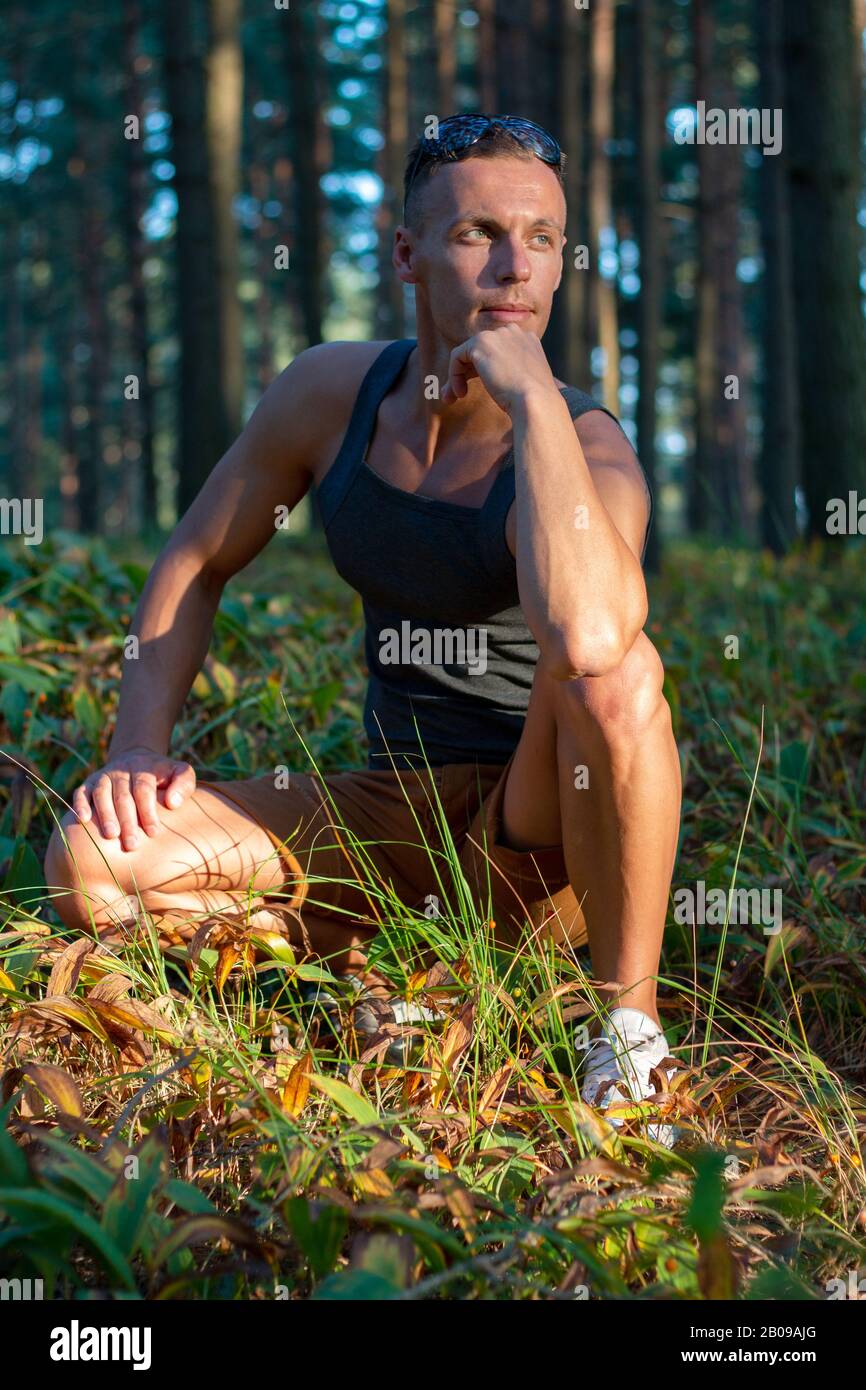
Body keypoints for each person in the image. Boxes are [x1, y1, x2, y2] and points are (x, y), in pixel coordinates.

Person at [44, 114, 682, 1141]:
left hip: (539, 829)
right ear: (406, 255)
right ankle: (375, 957)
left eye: (543, 239)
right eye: (478, 233)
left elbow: (590, 639)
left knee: (615, 678)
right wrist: (136, 743)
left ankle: (625, 1023)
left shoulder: (587, 448)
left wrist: (533, 411)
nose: (515, 269)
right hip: (383, 807)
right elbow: (195, 559)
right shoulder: (330, 394)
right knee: (90, 861)